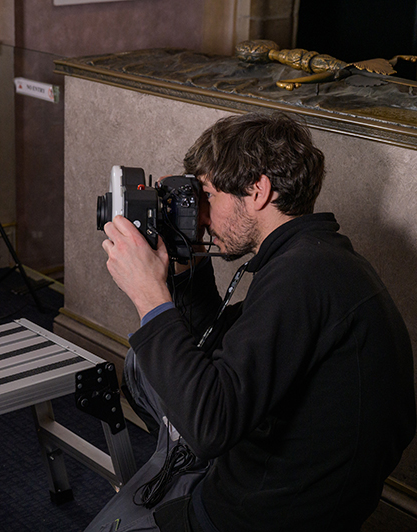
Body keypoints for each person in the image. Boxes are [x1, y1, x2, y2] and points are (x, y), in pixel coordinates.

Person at [88, 111, 416, 532]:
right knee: (142, 364)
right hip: (298, 488)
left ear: (257, 190)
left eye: (208, 195)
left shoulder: (302, 276)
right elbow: (217, 345)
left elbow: (212, 425)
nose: (202, 215)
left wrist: (148, 295)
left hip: (263, 514)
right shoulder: (320, 257)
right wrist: (184, 268)